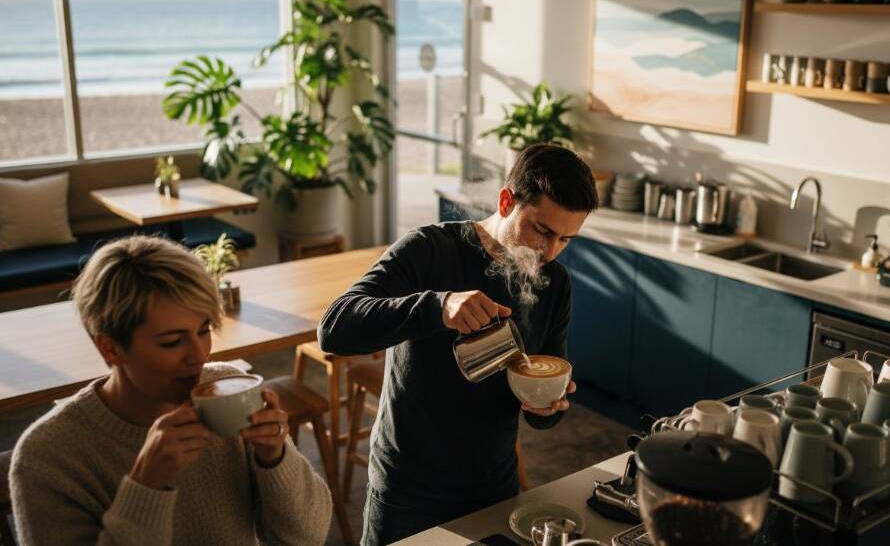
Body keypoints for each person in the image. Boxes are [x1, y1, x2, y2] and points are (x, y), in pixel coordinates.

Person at [318, 143, 598, 545]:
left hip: (493, 489)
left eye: (567, 240)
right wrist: (438, 306)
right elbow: (334, 327)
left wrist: (547, 406)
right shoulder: (428, 250)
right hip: (408, 492)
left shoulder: (556, 285)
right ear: (506, 201)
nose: (549, 252)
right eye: (543, 231)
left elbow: (543, 409)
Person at [10, 235, 332, 546]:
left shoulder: (228, 393)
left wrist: (274, 457)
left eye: (203, 330)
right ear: (110, 349)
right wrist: (145, 485)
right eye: (172, 341)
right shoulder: (46, 459)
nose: (199, 355)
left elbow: (307, 537)